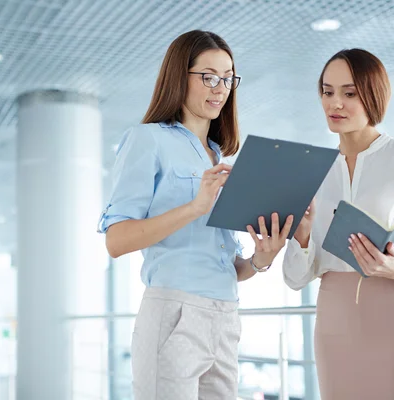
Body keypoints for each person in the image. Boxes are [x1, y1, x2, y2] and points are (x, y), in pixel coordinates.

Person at [97, 30, 293, 400]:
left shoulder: (218, 157)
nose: (220, 88)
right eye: (208, 76)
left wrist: (261, 259)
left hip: (225, 318)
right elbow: (117, 240)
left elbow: (225, 264)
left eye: (227, 78)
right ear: (178, 76)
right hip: (174, 314)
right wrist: (194, 207)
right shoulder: (148, 140)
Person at [282, 48, 394, 400]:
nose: (336, 103)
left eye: (349, 93)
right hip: (335, 323)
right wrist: (301, 239)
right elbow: (294, 277)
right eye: (327, 91)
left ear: (373, 96)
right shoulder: (311, 171)